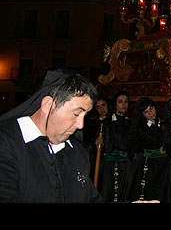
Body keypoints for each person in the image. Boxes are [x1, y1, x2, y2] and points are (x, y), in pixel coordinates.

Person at [0, 68, 103, 202]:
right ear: (48, 105)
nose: (81, 125)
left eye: (85, 116)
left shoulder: (76, 151)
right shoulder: (6, 145)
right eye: (76, 114)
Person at [127, 97, 168, 202]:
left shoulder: (164, 122)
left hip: (165, 165)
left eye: (151, 108)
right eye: (146, 111)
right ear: (142, 115)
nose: (150, 113)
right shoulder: (142, 128)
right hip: (150, 165)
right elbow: (154, 141)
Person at [101, 91, 132, 202]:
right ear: (115, 104)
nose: (124, 104)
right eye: (120, 102)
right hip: (111, 164)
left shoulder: (130, 122)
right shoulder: (108, 123)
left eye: (126, 102)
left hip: (126, 163)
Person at [83, 95, 109, 183]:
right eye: (98, 107)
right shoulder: (91, 123)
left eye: (103, 105)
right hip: (94, 157)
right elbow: (86, 139)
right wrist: (94, 141)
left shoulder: (113, 121)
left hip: (108, 158)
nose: (102, 109)